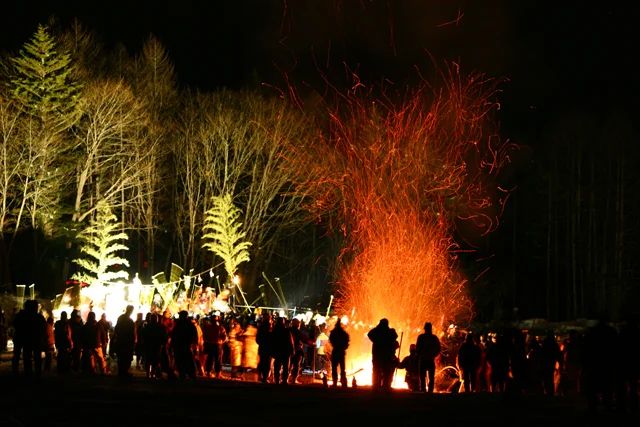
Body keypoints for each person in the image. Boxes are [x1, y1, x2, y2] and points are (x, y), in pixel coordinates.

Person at [367, 318, 399, 391]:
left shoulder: (377, 332)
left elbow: (370, 334)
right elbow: (395, 336)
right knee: (386, 371)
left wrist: (377, 329)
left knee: (376, 370)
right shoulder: (390, 332)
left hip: (378, 355)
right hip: (386, 355)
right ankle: (385, 386)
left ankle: (375, 385)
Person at [415, 322, 441, 393]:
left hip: (423, 359)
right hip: (430, 360)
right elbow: (438, 349)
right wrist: (433, 355)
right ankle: (430, 391)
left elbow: (417, 348)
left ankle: (423, 390)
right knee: (431, 377)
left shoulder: (421, 337)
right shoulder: (434, 338)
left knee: (422, 377)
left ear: (425, 328)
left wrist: (419, 354)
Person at [112, 305, 136, 378]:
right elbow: (132, 333)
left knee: (122, 358)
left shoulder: (121, 318)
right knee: (125, 358)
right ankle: (123, 373)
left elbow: (116, 329)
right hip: (126, 342)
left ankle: (122, 373)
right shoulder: (129, 320)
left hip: (122, 341)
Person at [329, 320, 350, 388]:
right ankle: (343, 382)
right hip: (341, 351)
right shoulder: (344, 333)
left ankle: (335, 382)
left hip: (335, 351)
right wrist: (344, 347)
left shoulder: (333, 332)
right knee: (342, 368)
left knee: (334, 368)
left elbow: (331, 340)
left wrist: (335, 345)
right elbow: (347, 342)